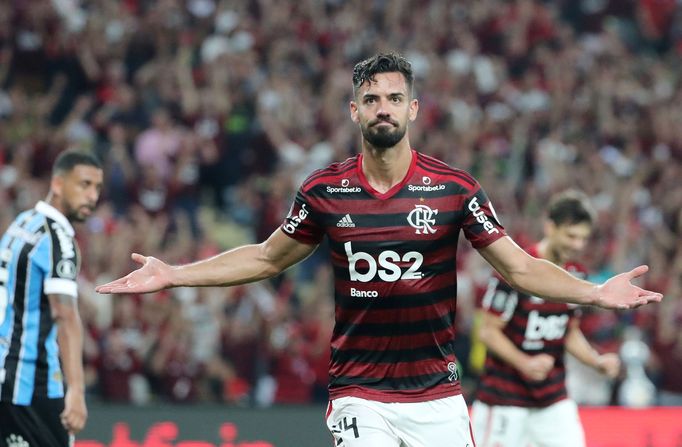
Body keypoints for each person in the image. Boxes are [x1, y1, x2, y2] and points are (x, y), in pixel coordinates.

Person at [96, 53, 661, 447]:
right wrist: (175, 274)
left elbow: (519, 266)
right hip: (360, 390)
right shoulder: (324, 191)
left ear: (413, 109)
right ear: (355, 112)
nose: (383, 107)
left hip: (438, 391)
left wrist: (594, 293)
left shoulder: (454, 188)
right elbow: (266, 258)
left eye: (395, 97)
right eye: (372, 99)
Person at [470, 190, 621, 447]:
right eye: (571, 236)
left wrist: (596, 362)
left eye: (583, 238)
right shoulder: (516, 270)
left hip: (553, 400)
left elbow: (568, 332)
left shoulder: (576, 274)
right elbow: (488, 331)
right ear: (550, 226)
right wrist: (524, 362)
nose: (577, 245)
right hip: (505, 398)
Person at [0, 150, 104, 447]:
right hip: (34, 383)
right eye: (84, 185)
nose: (92, 196)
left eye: (97, 188)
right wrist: (76, 391)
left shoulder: (21, 224)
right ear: (57, 184)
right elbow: (65, 314)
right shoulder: (58, 240)